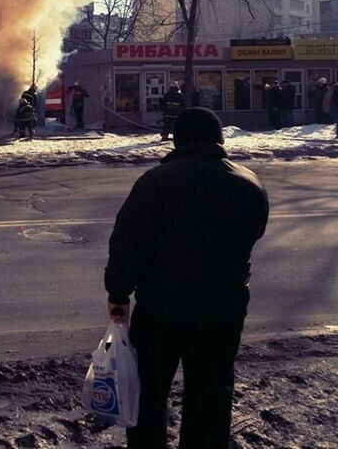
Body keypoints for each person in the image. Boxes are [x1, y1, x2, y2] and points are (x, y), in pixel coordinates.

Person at [104, 108, 269, 449]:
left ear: (179, 139)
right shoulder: (250, 183)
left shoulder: (156, 182)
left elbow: (129, 242)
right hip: (223, 312)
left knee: (149, 393)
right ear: (219, 139)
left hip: (161, 311)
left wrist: (119, 294)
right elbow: (253, 236)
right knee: (211, 396)